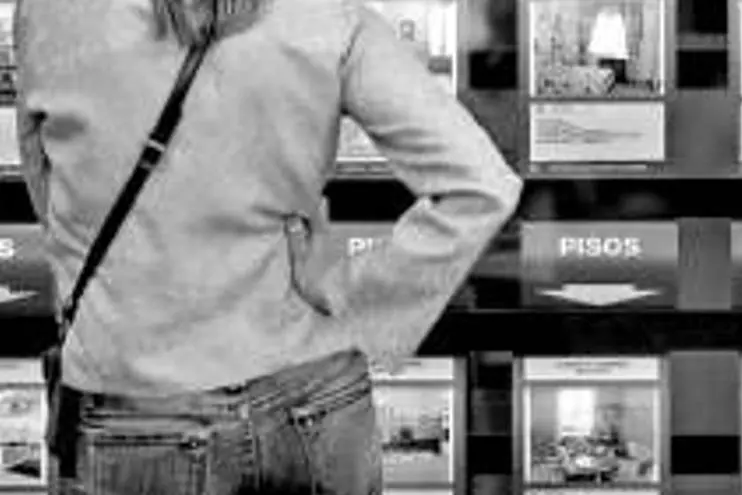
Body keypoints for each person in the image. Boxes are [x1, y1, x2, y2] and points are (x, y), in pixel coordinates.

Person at [14, 0, 523, 493]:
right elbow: (483, 186)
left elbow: (49, 190)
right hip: (317, 396)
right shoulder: (327, 16)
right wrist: (349, 295)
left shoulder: (51, 13)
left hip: (135, 401)